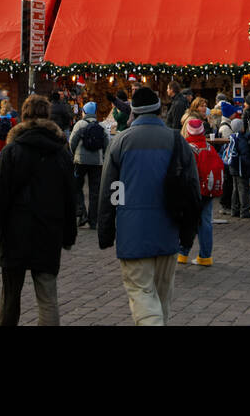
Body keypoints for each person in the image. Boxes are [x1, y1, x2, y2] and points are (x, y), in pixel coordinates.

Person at [98, 85, 201, 326]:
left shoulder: (121, 142)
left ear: (133, 112)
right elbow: (193, 190)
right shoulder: (177, 141)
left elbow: (111, 191)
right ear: (158, 111)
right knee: (162, 298)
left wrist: (107, 229)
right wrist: (188, 232)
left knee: (142, 294)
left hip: (132, 230)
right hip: (168, 230)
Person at [0, 94, 77, 326]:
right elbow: (70, 198)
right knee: (47, 297)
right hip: (48, 230)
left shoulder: (12, 151)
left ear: (23, 116)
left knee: (10, 297)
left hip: (16, 232)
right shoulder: (61, 152)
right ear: (48, 116)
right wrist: (69, 235)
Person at [177, 119, 223, 267]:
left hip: (192, 191)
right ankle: (205, 256)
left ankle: (182, 253)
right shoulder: (209, 147)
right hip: (208, 190)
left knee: (188, 222)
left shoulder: (187, 148)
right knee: (205, 222)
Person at [69, 101, 106, 228]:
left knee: (76, 186)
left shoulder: (79, 124)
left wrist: (73, 155)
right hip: (97, 162)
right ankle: (93, 219)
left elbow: (72, 142)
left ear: (84, 112)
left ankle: (82, 213)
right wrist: (103, 157)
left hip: (80, 161)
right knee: (94, 191)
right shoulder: (101, 125)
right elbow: (107, 143)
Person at [225, 116, 250, 219]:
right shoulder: (242, 139)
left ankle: (235, 209)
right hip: (241, 168)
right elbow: (245, 154)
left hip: (233, 167)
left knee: (235, 189)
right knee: (244, 189)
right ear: (241, 128)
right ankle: (245, 211)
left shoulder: (233, 137)